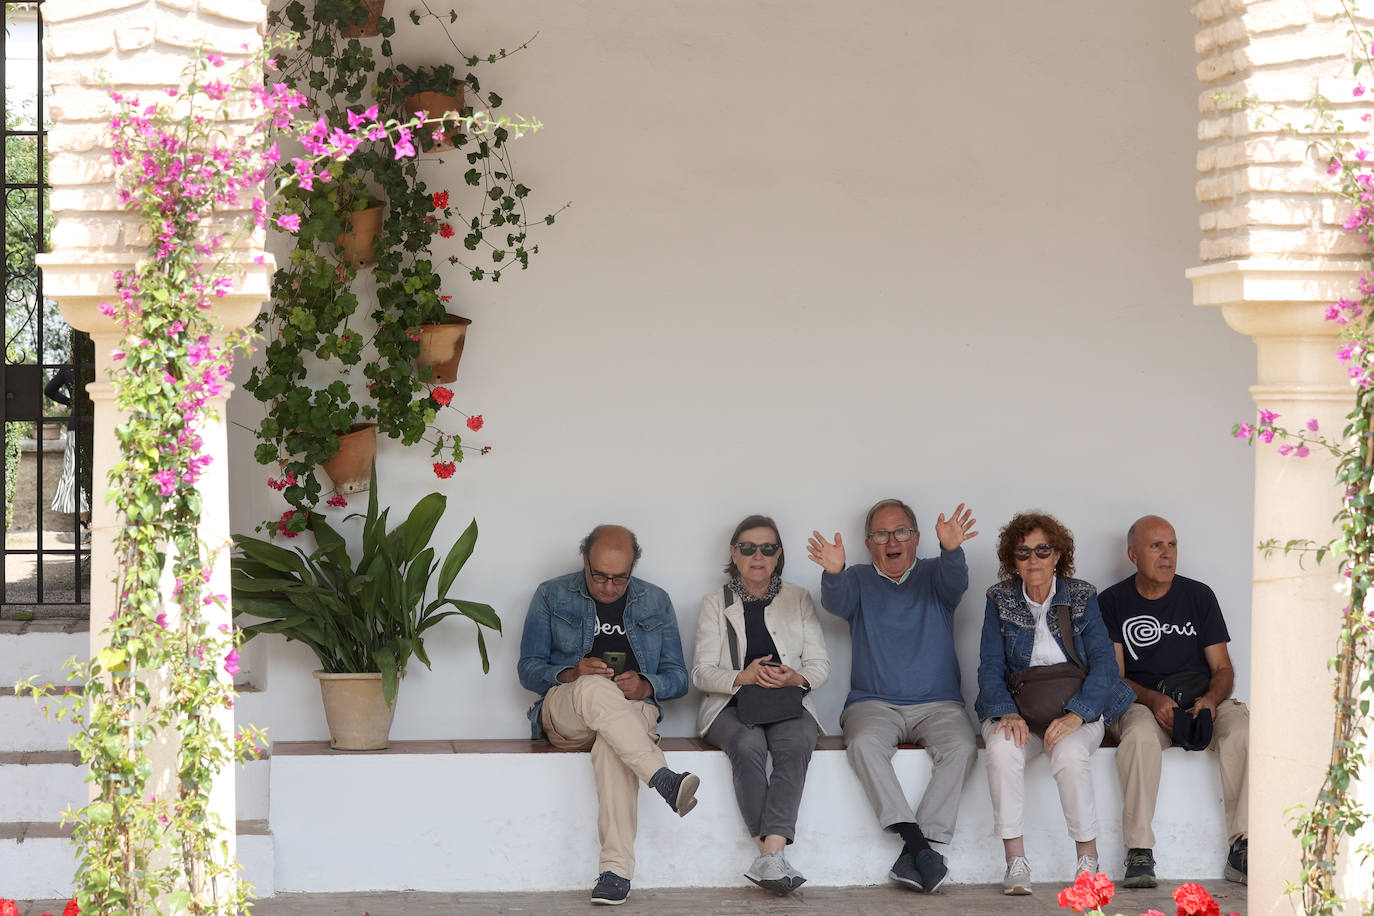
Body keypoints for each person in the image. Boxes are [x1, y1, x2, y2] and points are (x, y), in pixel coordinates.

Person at [516, 524, 697, 907]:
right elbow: (528, 668)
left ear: (633, 568)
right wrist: (572, 673)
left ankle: (615, 873)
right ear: (585, 560)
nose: (609, 587)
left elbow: (679, 677)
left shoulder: (657, 601)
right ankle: (661, 776)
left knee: (614, 746)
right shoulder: (551, 595)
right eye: (600, 576)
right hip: (568, 712)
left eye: (620, 579)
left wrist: (646, 686)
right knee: (597, 687)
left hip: (632, 713)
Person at [807, 498, 979, 894]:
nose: (892, 540)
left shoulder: (937, 575)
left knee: (962, 748)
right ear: (869, 543)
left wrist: (952, 549)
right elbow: (836, 602)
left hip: (939, 703)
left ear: (916, 538)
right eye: (881, 534)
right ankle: (916, 843)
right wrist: (833, 572)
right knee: (864, 743)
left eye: (901, 532)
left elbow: (958, 581)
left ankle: (917, 847)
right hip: (873, 703)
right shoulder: (857, 579)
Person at [974, 511, 1134, 895]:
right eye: (1023, 552)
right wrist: (1006, 711)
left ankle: (1088, 863)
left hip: (1077, 707)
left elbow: (1104, 664)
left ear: (1058, 554)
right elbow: (990, 666)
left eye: (1042, 550)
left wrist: (1077, 715)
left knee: (1068, 754)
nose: (1033, 560)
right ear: (1012, 560)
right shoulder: (999, 599)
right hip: (1020, 710)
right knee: (1000, 748)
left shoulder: (1082, 595)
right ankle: (1015, 862)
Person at [1098, 515, 1249, 888]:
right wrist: (1152, 699)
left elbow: (1224, 669)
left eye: (1173, 545)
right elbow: (1114, 677)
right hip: (1143, 703)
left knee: (1243, 731)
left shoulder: (1198, 596)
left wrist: (1212, 700)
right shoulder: (1112, 601)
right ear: (1133, 554)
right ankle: (1139, 851)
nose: (1167, 554)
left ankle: (1243, 847)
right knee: (1139, 738)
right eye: (1156, 546)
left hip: (1202, 699)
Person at [693, 514, 831, 896]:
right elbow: (701, 673)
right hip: (731, 706)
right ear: (733, 554)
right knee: (747, 745)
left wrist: (795, 678)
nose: (758, 556)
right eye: (748, 548)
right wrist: (743, 677)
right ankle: (772, 857)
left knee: (797, 743)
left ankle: (770, 856)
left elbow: (820, 666)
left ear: (778, 554)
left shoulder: (799, 598)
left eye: (767, 548)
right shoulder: (713, 603)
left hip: (787, 702)